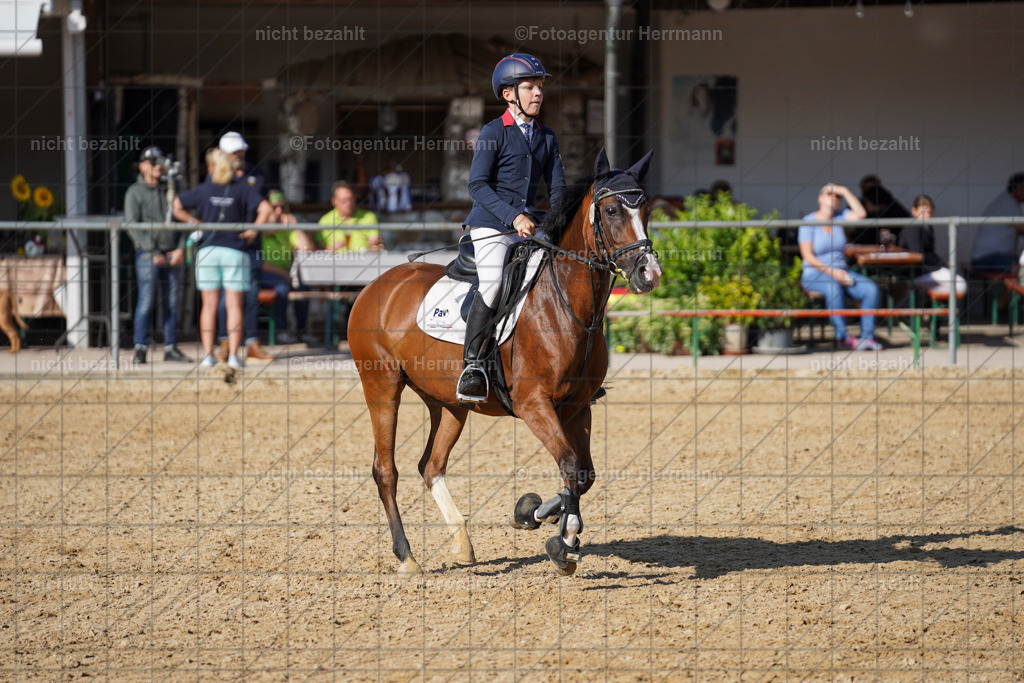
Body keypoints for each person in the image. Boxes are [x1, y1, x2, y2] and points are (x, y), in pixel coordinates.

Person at [456, 53, 566, 401]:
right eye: (530, 87)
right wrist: (514, 217)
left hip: (532, 226)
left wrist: (564, 222)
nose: (538, 94)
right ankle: (472, 366)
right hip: (491, 225)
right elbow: (477, 186)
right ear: (508, 94)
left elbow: (559, 190)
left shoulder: (547, 137)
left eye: (540, 88)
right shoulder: (493, 131)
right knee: (491, 284)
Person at [173, 148, 272, 368]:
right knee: (234, 306)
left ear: (211, 168)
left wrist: (194, 222)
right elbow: (265, 208)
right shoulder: (242, 188)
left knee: (208, 306)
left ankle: (209, 355)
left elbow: (177, 205)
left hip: (208, 251)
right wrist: (254, 230)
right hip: (235, 251)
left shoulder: (204, 189)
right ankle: (235, 356)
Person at [124, 146, 191, 364]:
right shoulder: (134, 192)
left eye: (160, 162)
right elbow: (133, 226)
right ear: (142, 166)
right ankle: (141, 347)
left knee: (171, 303)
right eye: (153, 162)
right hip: (147, 255)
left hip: (173, 254)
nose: (158, 166)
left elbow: (184, 220)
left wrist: (182, 248)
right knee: (146, 301)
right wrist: (153, 251)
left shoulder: (170, 189)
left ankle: (170, 347)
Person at [214, 131, 274, 363]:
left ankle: (251, 343)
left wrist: (257, 228)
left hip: (251, 246)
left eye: (241, 151)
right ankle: (224, 342)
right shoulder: (217, 178)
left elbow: (270, 200)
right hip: (225, 245)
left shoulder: (257, 174)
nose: (240, 155)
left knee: (250, 295)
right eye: (234, 151)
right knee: (223, 298)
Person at [799, 183, 882, 351]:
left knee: (870, 289)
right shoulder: (808, 222)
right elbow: (808, 256)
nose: (833, 197)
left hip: (842, 271)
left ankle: (867, 337)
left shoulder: (840, 217)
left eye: (837, 196)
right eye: (829, 194)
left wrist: (844, 190)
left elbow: (861, 214)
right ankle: (843, 336)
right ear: (820, 198)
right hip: (814, 274)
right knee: (833, 287)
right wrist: (833, 273)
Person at [260, 189, 317, 345]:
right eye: (274, 207)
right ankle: (282, 330)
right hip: (263, 275)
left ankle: (302, 331)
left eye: (282, 207)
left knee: (303, 287)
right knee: (282, 288)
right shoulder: (260, 229)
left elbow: (307, 249)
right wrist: (286, 276)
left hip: (284, 275)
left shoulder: (286, 230)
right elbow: (262, 264)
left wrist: (295, 227)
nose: (279, 211)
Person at [898, 195, 967, 296]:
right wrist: (942, 263)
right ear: (914, 211)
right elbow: (919, 255)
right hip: (916, 272)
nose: (927, 215)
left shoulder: (927, 227)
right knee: (959, 284)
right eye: (923, 212)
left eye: (929, 212)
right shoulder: (914, 227)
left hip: (926, 270)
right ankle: (934, 308)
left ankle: (934, 307)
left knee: (956, 283)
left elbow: (929, 252)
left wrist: (942, 264)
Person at [970, 172, 1024, 275]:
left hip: (994, 257)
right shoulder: (1008, 204)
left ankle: (1006, 291)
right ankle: (1008, 291)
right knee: (1020, 270)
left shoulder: (1008, 202)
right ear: (1019, 188)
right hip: (986, 259)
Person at [318, 181, 381, 252]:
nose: (349, 204)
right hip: (336, 260)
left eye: (351, 199)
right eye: (344, 201)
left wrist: (374, 246)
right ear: (334, 201)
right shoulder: (326, 220)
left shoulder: (368, 216)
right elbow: (318, 248)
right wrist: (329, 248)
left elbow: (375, 244)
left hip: (363, 260)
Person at [852, 174, 910, 245]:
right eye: (867, 188)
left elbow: (906, 219)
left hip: (887, 243)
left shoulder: (890, 202)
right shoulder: (858, 204)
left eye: (874, 188)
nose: (871, 192)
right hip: (864, 242)